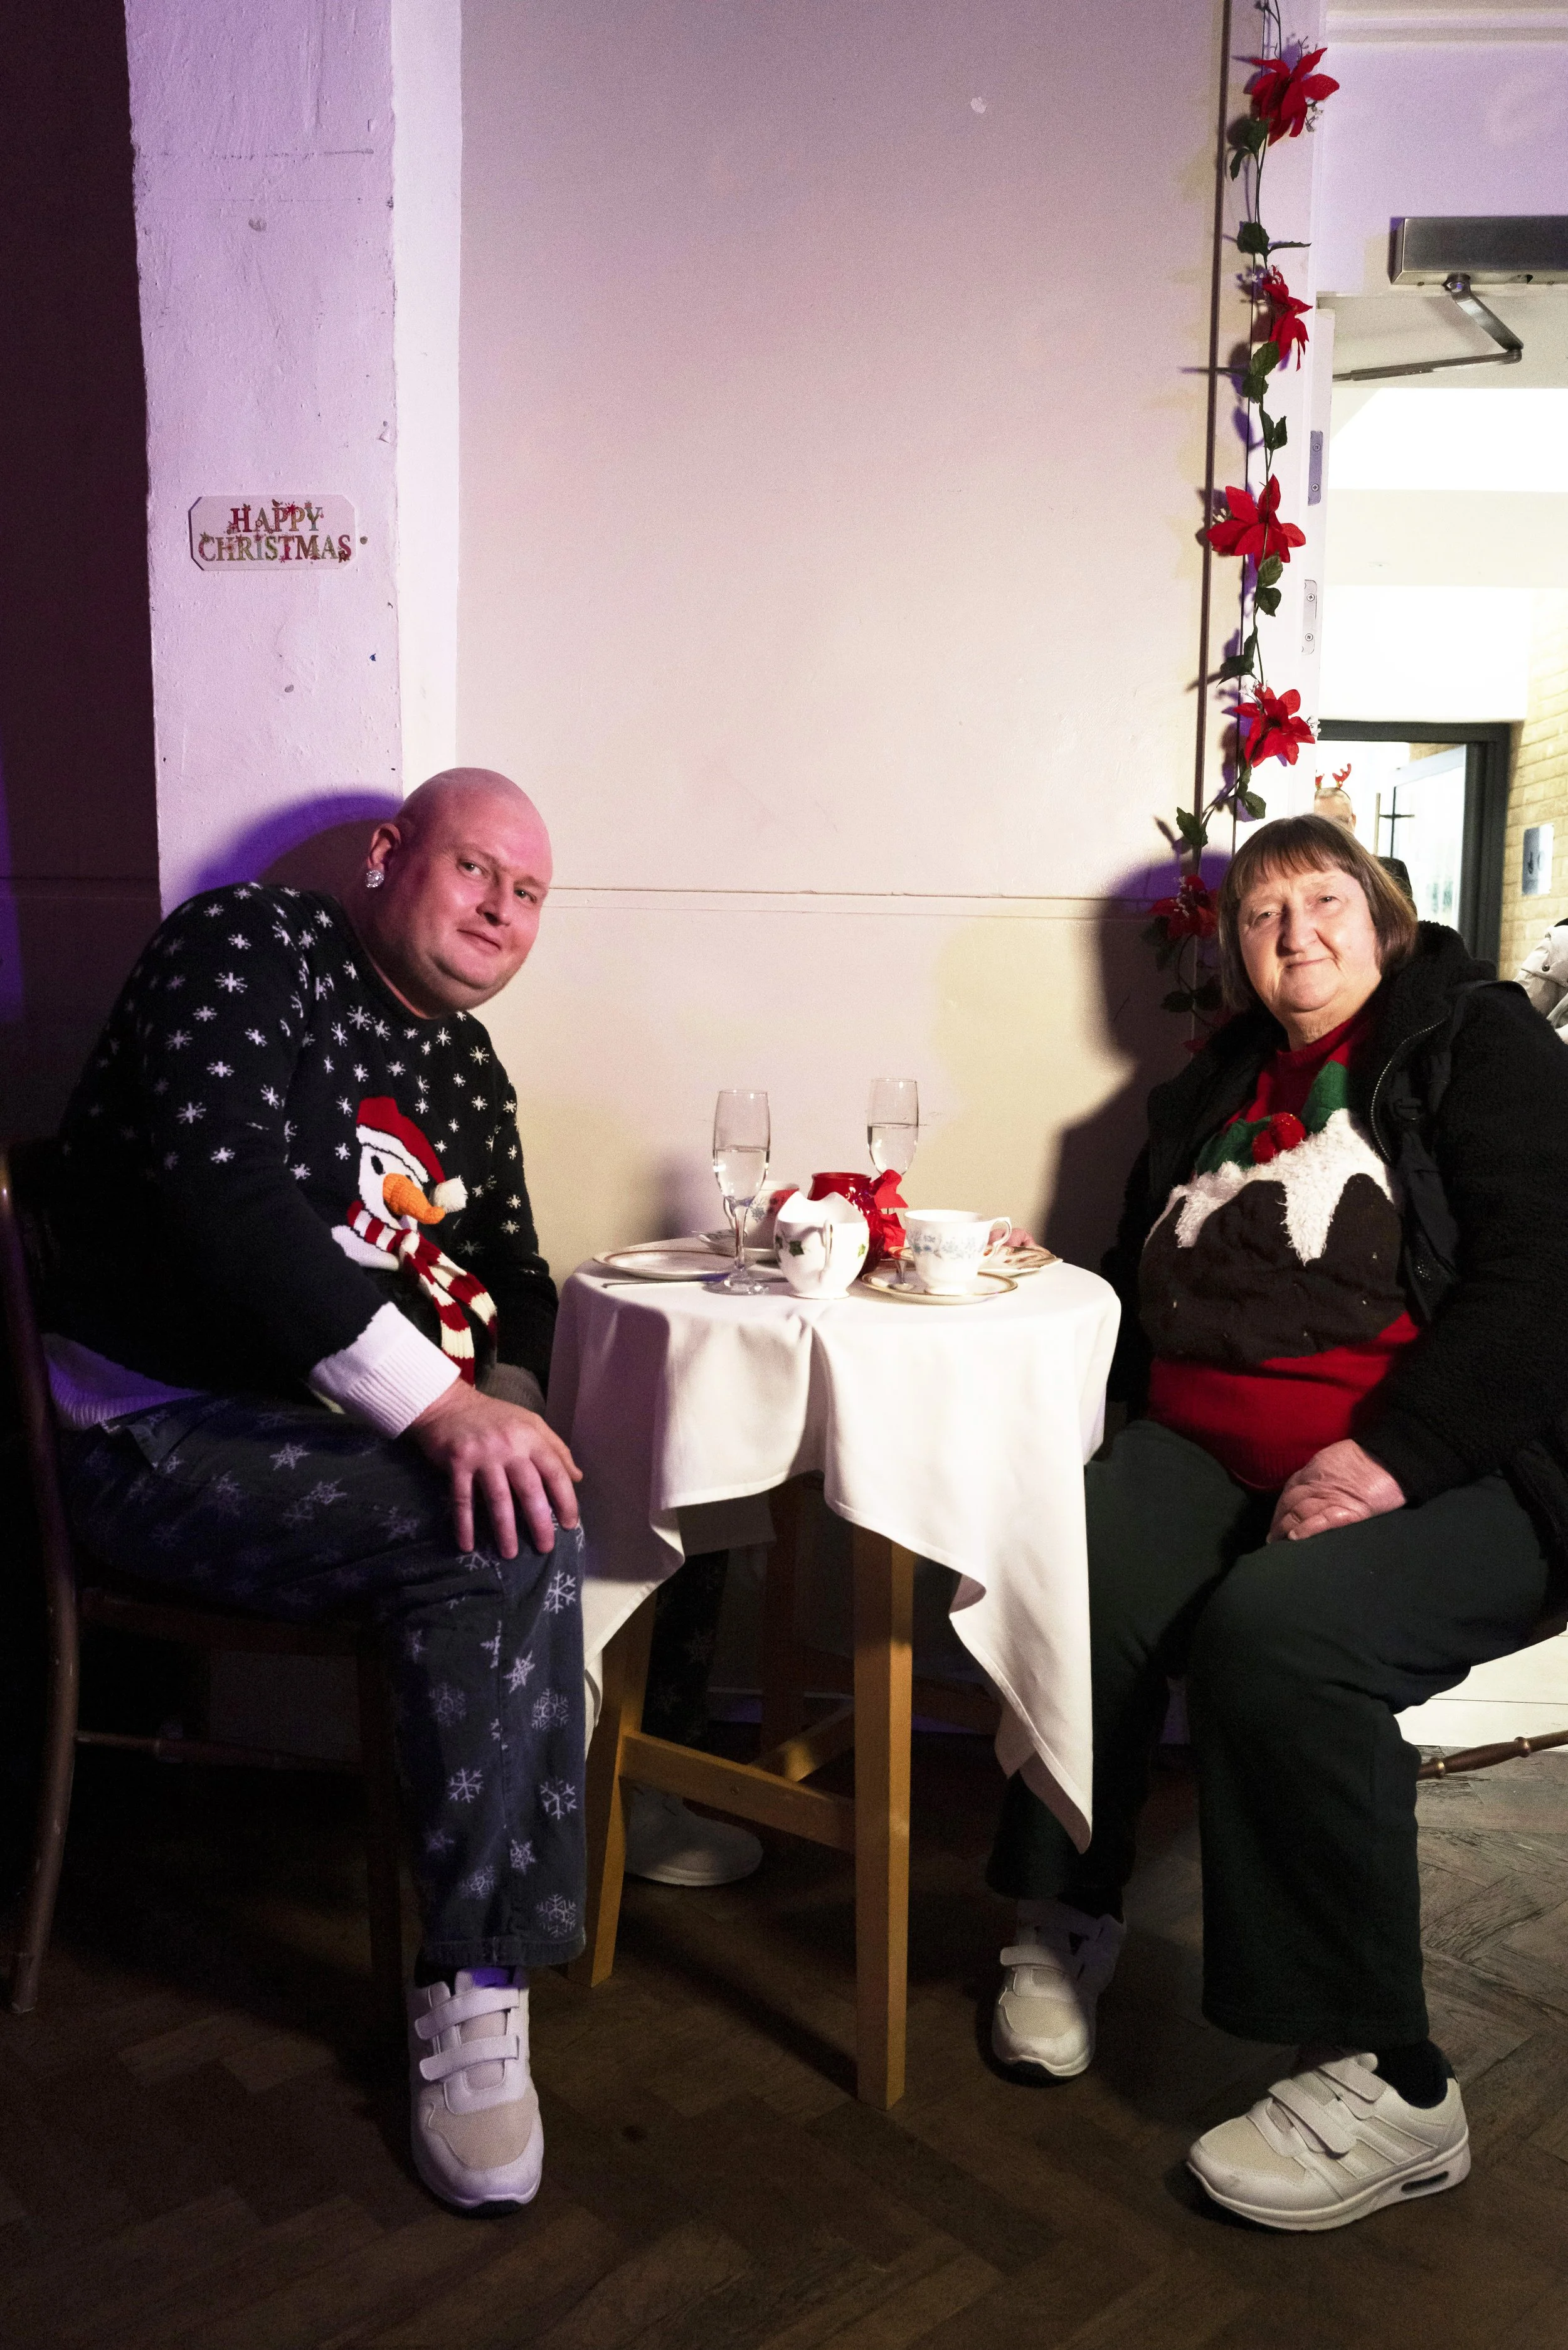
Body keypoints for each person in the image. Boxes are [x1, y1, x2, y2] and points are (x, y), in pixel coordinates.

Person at [42, 767, 748, 2214]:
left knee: (682, 1461)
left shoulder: (464, 1067)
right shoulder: (247, 945)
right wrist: (446, 1410)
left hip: (322, 1427)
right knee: (486, 1524)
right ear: (387, 856)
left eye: (529, 892)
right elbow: (216, 1194)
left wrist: (538, 1407)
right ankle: (475, 1983)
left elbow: (511, 1283)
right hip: (154, 1428)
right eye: (475, 870)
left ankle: (612, 1789)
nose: (500, 909)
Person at [986, 813, 1568, 2232]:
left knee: (1281, 1630)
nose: (1293, 932)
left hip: (1464, 1458)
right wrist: (1048, 1271)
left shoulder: (1475, 1044)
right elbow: (1150, 1268)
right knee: (1069, 1560)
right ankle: (1062, 1908)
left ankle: (1390, 2074)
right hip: (1206, 1445)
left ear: (1380, 920)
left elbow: (1546, 1271)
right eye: (1258, 914)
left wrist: (1391, 1452)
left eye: (1322, 901)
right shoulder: (1210, 1087)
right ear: (1235, 952)